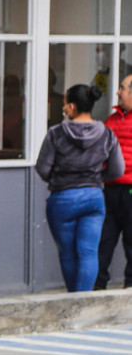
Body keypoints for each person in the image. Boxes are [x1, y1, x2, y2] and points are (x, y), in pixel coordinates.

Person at [36, 84, 124, 292]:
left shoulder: (56, 133)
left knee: (67, 253)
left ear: (72, 107)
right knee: (88, 252)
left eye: (66, 104)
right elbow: (118, 169)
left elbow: (42, 168)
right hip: (93, 197)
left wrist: (58, 178)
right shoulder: (107, 134)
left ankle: (72, 298)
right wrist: (98, 178)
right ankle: (82, 303)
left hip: (62, 198)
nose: (64, 107)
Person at [97, 74, 132, 289]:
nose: (118, 92)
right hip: (110, 188)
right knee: (104, 240)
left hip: (130, 189)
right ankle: (97, 285)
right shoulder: (112, 119)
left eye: (123, 88)